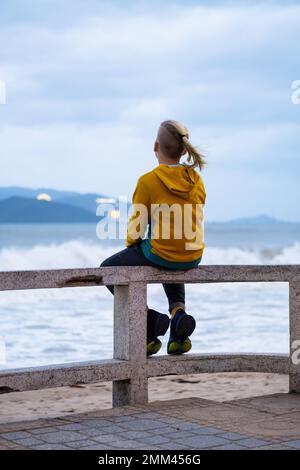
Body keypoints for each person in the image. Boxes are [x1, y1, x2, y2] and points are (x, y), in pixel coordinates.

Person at [100, 120, 206, 356]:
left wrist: (132, 246)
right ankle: (178, 319)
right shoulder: (195, 179)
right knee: (170, 253)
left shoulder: (148, 181)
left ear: (155, 146)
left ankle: (150, 318)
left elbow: (137, 227)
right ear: (183, 150)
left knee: (107, 270)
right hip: (193, 254)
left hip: (163, 253)